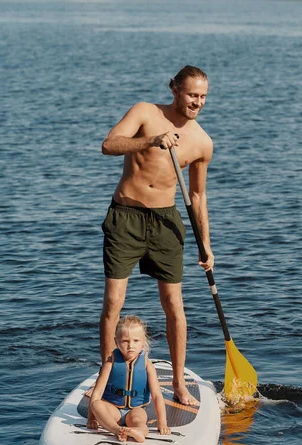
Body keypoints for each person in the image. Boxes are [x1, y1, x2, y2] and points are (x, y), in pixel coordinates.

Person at [100, 65, 214, 407]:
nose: (197, 102)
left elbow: (197, 197)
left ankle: (179, 383)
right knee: (112, 303)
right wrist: (151, 140)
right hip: (126, 216)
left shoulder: (202, 142)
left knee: (174, 306)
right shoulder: (145, 113)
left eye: (203, 97)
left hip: (166, 221)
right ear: (174, 89)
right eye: (192, 94)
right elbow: (108, 145)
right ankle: (107, 382)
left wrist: (206, 245)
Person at [87, 315, 171, 443]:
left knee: (139, 421)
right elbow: (97, 394)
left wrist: (162, 423)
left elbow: (157, 396)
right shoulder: (110, 364)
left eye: (136, 341)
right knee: (97, 404)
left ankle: (138, 432)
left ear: (143, 342)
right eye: (125, 341)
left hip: (136, 409)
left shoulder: (147, 365)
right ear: (116, 342)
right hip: (112, 408)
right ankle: (116, 429)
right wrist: (91, 418)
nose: (130, 345)